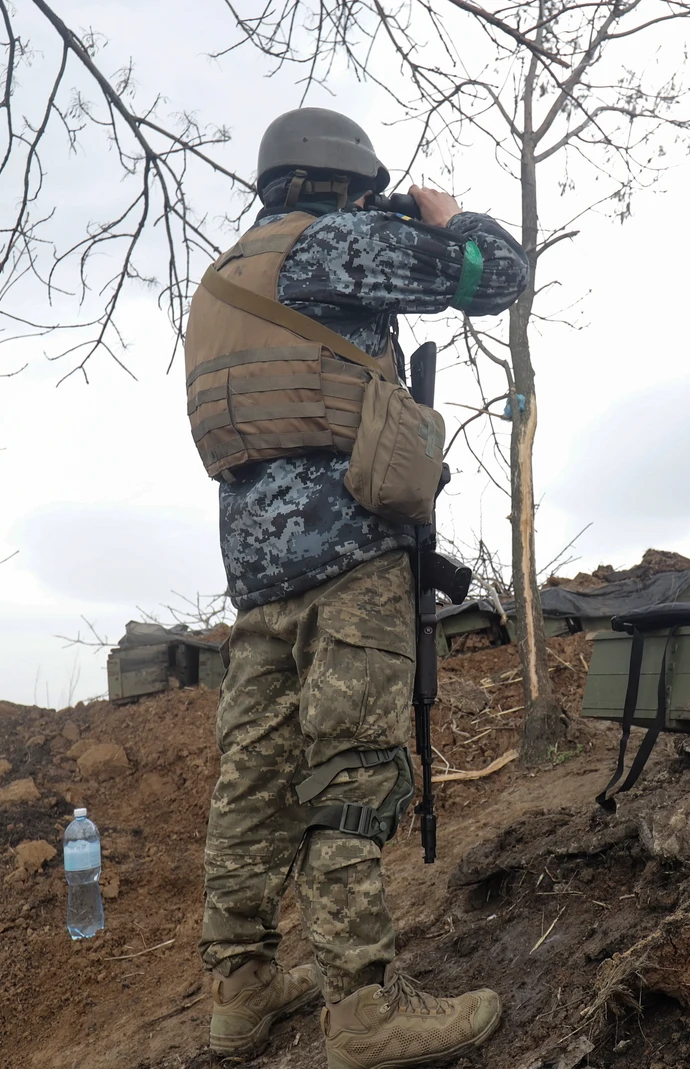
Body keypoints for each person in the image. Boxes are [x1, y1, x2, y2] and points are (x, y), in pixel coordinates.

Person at [185, 107, 529, 1068]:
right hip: (350, 555)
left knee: (250, 781)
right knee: (350, 773)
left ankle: (240, 993)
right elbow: (493, 276)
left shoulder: (220, 281)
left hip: (255, 575)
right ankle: (364, 1012)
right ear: (341, 181)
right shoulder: (334, 247)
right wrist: (448, 216)